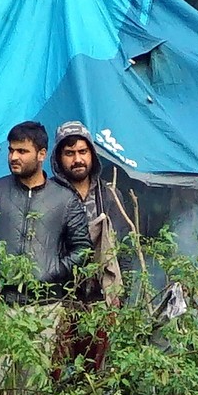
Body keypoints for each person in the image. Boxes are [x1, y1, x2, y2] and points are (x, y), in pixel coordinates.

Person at [0, 121, 91, 395]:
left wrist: (53, 271)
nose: (13, 157)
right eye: (11, 150)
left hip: (45, 310)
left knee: (34, 389)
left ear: (41, 154)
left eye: (22, 151)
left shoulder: (65, 200)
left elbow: (83, 250)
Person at [50, 120, 137, 374]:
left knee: (98, 371)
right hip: (61, 300)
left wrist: (123, 296)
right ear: (58, 158)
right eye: (69, 153)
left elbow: (125, 249)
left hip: (101, 299)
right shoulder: (50, 195)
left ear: (92, 155)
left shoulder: (109, 195)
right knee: (58, 371)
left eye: (82, 152)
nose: (77, 159)